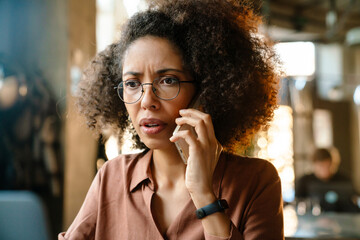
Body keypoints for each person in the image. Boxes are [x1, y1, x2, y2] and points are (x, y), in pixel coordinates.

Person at [59, 0, 283, 239]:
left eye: (168, 80)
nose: (146, 101)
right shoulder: (112, 177)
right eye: (132, 84)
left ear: (207, 90)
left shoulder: (257, 182)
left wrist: (203, 194)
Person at [295, 147, 358, 212]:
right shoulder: (304, 181)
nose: (325, 170)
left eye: (328, 166)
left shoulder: (345, 180)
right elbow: (297, 203)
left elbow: (354, 199)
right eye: (321, 166)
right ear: (314, 164)